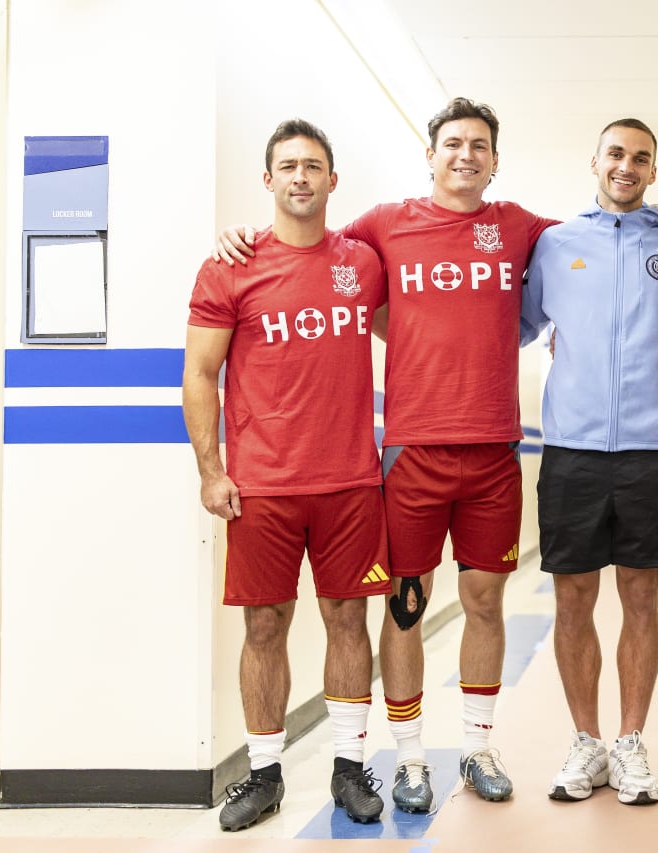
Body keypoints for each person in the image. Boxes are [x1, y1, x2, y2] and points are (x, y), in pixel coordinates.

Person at [215, 99, 658, 814]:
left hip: (495, 453)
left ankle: (477, 746)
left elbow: (603, 223)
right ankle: (409, 759)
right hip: (412, 454)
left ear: (495, 161)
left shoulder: (526, 229)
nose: (465, 154)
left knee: (484, 603)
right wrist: (243, 238)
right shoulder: (381, 225)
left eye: (479, 145)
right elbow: (308, 247)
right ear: (430, 155)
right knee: (405, 605)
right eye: (452, 143)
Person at [183, 119, 389, 830]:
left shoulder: (363, 263)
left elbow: (423, 315)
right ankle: (264, 773)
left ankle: (348, 765)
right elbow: (201, 373)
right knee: (263, 626)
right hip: (262, 486)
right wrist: (212, 471)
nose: (301, 176)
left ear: (334, 180)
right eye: (287, 166)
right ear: (267, 181)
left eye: (314, 165)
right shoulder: (229, 266)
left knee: (347, 620)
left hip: (351, 482)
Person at [520, 118, 658, 806]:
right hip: (570, 448)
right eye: (616, 154)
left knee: (641, 597)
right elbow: (523, 325)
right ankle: (586, 741)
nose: (627, 166)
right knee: (572, 597)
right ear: (593, 161)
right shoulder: (555, 243)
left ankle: (630, 742)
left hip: (648, 451)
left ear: (654, 171)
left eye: (641, 158)